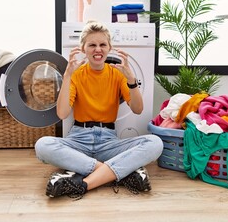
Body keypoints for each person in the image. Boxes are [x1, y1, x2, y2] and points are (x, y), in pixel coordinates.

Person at [35, 21, 163, 199]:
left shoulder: (117, 74)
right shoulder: (76, 74)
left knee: (155, 143)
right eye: (92, 45)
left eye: (102, 44)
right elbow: (62, 113)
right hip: (79, 139)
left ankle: (84, 183)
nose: (98, 49)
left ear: (109, 47)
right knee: (42, 146)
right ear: (83, 48)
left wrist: (131, 80)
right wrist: (67, 76)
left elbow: (138, 109)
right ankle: (118, 174)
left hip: (109, 142)